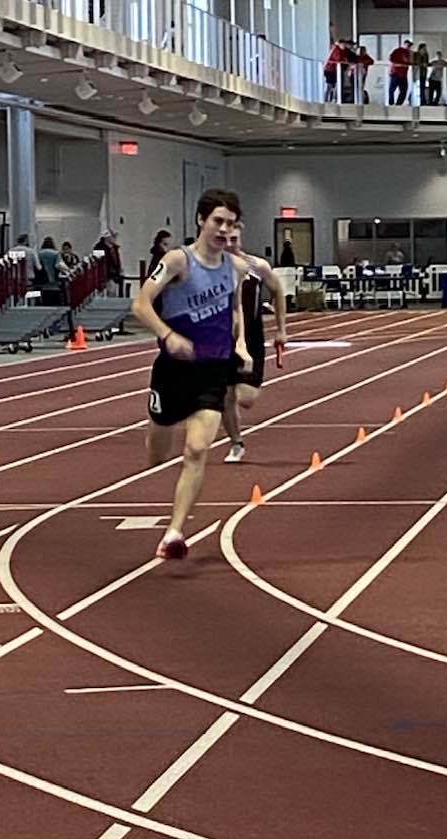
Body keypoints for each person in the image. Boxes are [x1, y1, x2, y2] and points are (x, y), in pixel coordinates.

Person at [131, 188, 253, 560]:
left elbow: (235, 311)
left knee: (198, 449)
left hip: (213, 369)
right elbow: (139, 303)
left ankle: (173, 533)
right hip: (173, 370)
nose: (224, 230)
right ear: (201, 220)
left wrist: (242, 343)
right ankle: (155, 428)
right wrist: (167, 335)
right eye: (217, 221)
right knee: (158, 452)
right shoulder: (177, 261)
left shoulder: (237, 268)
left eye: (230, 224)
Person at [223, 221, 287, 463]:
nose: (229, 244)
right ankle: (236, 443)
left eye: (234, 240)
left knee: (245, 398)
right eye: (225, 240)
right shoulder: (210, 267)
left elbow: (278, 291)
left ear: (240, 239)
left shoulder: (257, 266)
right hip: (220, 340)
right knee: (225, 396)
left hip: (251, 338)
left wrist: (281, 329)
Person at [388, 40, 412, 105]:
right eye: (408, 45)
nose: (408, 47)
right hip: (396, 73)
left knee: (404, 90)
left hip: (403, 75)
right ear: (404, 44)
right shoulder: (398, 51)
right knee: (392, 89)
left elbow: (410, 62)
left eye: (409, 46)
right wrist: (398, 64)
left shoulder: (408, 53)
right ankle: (391, 103)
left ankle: (398, 104)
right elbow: (391, 58)